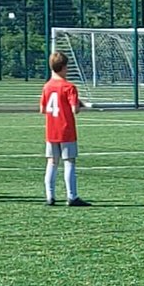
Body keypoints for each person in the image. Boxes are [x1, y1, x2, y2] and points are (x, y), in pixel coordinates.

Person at [42, 50, 89, 207]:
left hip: (51, 130)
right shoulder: (69, 87)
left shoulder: (47, 86)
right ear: (63, 67)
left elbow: (42, 109)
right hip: (66, 129)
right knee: (69, 162)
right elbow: (74, 108)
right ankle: (72, 196)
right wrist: (79, 104)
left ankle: (50, 196)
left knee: (52, 162)